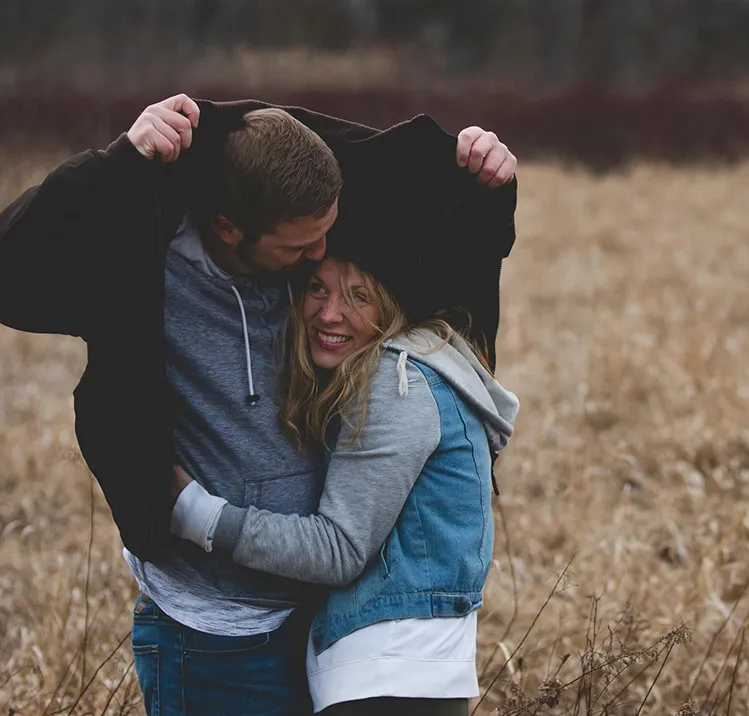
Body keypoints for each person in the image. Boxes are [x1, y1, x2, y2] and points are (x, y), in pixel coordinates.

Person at [0, 94, 517, 714]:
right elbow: (15, 262)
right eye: (300, 251)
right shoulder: (141, 265)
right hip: (210, 636)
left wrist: (489, 180)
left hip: (317, 627)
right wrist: (118, 162)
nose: (319, 258)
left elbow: (435, 226)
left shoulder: (305, 236)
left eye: (328, 235)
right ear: (229, 230)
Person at [170, 251, 519, 715]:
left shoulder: (398, 382)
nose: (330, 313)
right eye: (318, 288)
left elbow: (339, 550)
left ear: (393, 307)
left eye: (359, 296)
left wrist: (193, 512)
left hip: (387, 674)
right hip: (408, 673)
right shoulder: (420, 369)